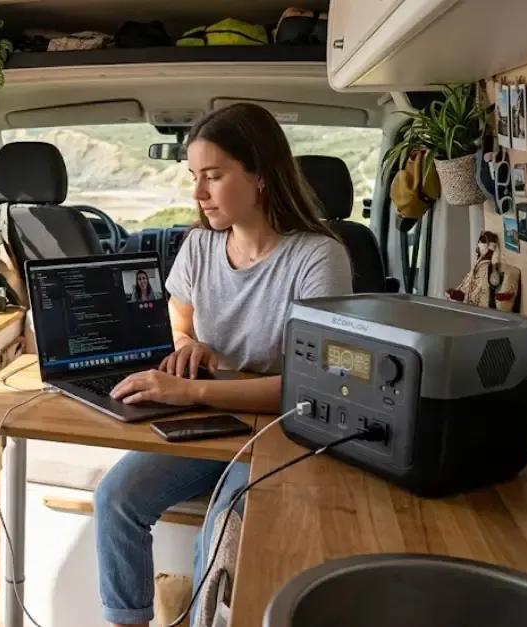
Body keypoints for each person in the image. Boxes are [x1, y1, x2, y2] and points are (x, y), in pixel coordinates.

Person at [92, 102, 354, 627]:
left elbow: (311, 387)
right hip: (211, 422)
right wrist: (187, 343)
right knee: (115, 497)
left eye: (213, 176)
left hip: (278, 430)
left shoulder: (318, 258)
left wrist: (191, 392)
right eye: (194, 176)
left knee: (219, 536)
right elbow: (177, 319)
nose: (198, 193)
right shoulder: (199, 245)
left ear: (260, 176)